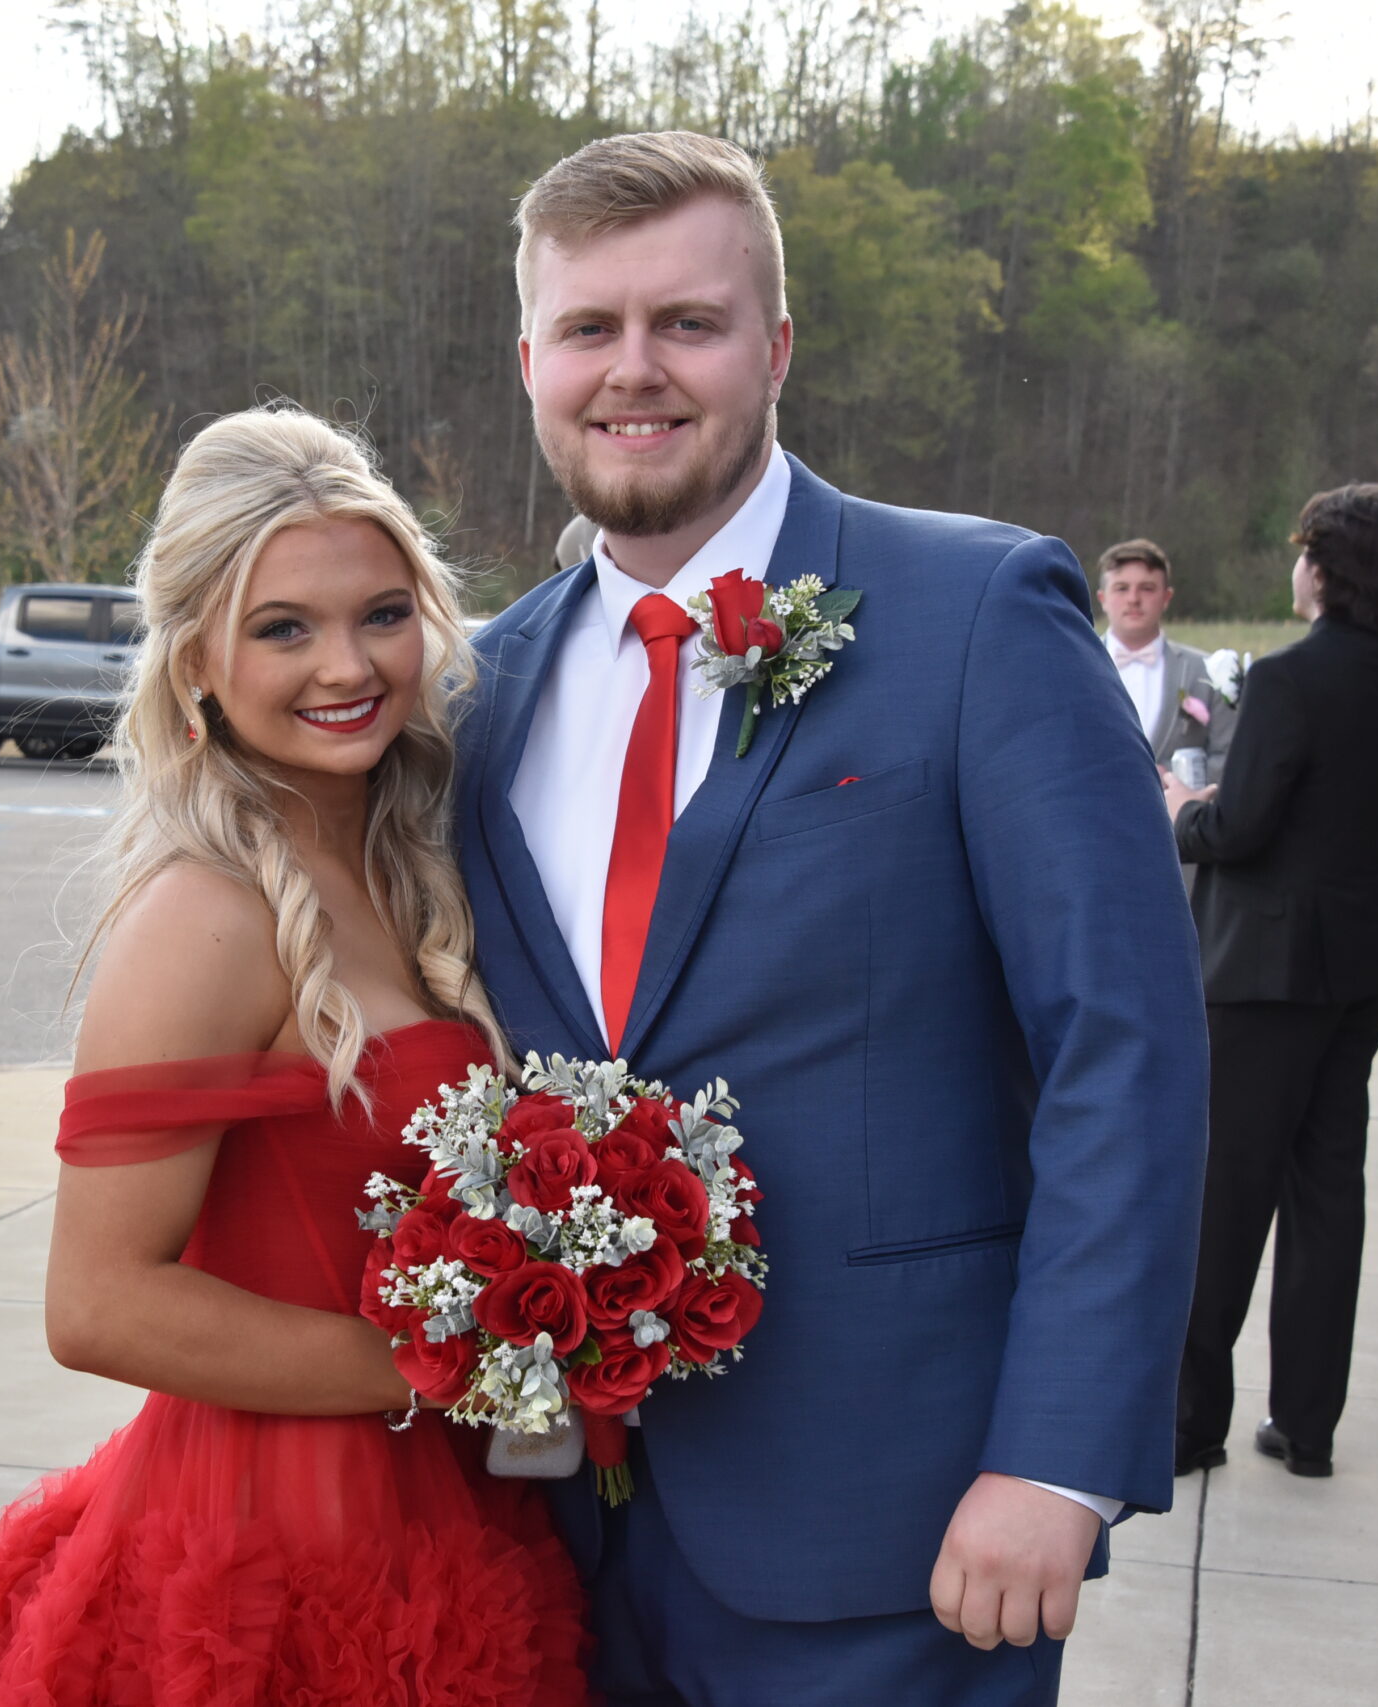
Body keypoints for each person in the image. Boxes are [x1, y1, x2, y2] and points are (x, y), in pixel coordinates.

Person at [459, 131, 1207, 1705]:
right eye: (590, 327)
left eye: (689, 321)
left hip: (902, 1533)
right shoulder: (481, 684)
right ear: (531, 362)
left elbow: (1124, 1044)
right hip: (551, 1539)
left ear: (778, 346)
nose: (635, 368)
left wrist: (1058, 1458)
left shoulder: (979, 612)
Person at [0, 406, 588, 1707]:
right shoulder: (204, 915)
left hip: (448, 1509)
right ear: (196, 659)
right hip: (268, 1553)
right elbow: (97, 1303)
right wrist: (450, 1363)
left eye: (381, 613)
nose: (346, 664)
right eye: (283, 628)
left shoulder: (411, 865)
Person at [1164, 484, 1378, 1481]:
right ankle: (1307, 1422)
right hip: (1364, 952)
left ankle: (1189, 1422)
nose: (1295, 569)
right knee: (1328, 1185)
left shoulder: (1289, 679)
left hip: (1266, 967)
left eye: (1303, 553)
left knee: (1228, 1193)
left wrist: (1181, 807)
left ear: (1327, 570)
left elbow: (1239, 830)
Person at [1097, 539, 1234, 783]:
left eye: (1147, 588)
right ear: (1102, 598)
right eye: (1121, 588)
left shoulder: (1207, 671)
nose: (1133, 599)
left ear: (1167, 597)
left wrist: (1178, 782)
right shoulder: (1074, 667)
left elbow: (1227, 756)